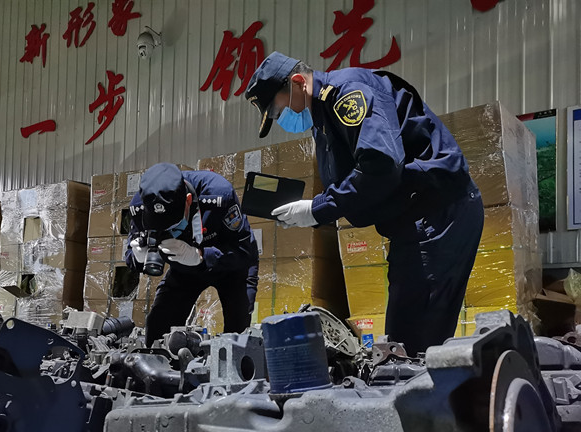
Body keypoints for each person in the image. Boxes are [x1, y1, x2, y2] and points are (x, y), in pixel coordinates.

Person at [244, 51, 483, 355]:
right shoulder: (323, 118)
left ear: (298, 82)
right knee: (409, 337)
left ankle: (426, 385)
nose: (282, 119)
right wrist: (316, 208)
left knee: (411, 342)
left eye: (279, 110)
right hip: (417, 218)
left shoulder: (348, 93)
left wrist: (318, 209)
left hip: (437, 213)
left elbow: (380, 166)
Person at [125, 163, 259, 346]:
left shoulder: (219, 194)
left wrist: (201, 256)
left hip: (231, 265)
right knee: (158, 324)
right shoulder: (140, 205)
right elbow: (131, 254)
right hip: (184, 267)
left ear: (188, 201)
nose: (169, 230)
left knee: (238, 331)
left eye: (172, 223)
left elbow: (243, 251)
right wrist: (138, 257)